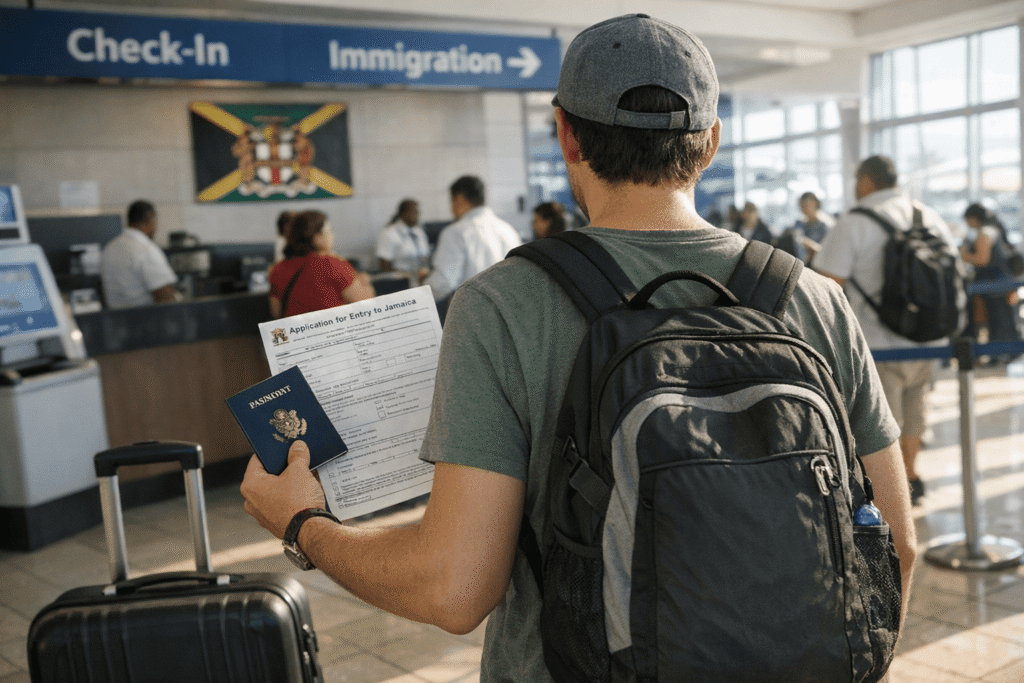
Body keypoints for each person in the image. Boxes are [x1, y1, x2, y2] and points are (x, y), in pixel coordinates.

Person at [241, 15, 916, 681]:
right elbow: (897, 546)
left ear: (567, 135)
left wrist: (302, 522)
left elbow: (453, 586)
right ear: (709, 143)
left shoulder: (502, 305)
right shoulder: (815, 301)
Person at [814, 155, 957, 507]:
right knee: (916, 410)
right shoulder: (928, 216)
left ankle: (891, 496)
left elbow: (824, 283)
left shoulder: (855, 222)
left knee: (883, 421)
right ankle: (911, 475)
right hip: (929, 340)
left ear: (866, 181)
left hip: (879, 343)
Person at [422, 175, 522, 307]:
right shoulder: (508, 230)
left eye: (451, 202)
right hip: (509, 311)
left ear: (459, 199)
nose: (452, 209)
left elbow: (444, 282)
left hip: (472, 315)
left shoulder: (456, 232)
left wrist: (421, 293)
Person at [267, 210, 374, 318]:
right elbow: (365, 302)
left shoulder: (278, 269)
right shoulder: (334, 264)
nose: (332, 235)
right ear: (317, 238)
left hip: (296, 333)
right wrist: (365, 283)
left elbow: (276, 313)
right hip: (334, 332)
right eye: (329, 231)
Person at [960, 203, 1022, 359]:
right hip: (1002, 283)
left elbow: (982, 259)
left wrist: (964, 255)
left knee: (997, 322)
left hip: (992, 285)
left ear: (973, 218)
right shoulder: (994, 229)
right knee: (1005, 321)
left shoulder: (984, 233)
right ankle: (1007, 354)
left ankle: (999, 356)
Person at [100, 200, 181, 309]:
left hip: (117, 321)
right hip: (147, 320)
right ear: (149, 219)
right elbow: (165, 297)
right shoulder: (146, 249)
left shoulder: (109, 248)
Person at [376, 198, 431, 280]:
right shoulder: (388, 233)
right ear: (403, 213)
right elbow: (385, 266)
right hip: (400, 281)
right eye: (414, 211)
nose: (417, 214)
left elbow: (426, 256)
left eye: (418, 212)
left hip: (422, 278)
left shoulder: (419, 232)